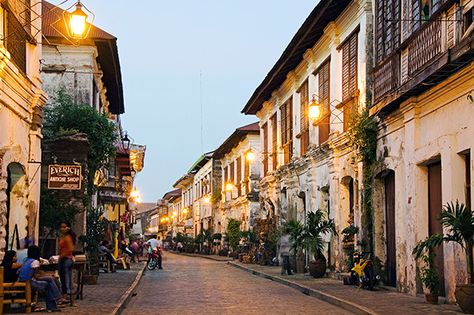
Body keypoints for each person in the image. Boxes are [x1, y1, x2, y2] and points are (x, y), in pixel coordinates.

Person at [18, 245, 61, 312]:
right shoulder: (35, 262)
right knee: (48, 284)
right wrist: (48, 275)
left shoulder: (26, 260)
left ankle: (55, 302)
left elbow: (36, 274)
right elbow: (36, 277)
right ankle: (54, 303)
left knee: (50, 279)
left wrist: (48, 275)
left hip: (23, 281)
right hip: (29, 283)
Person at [59, 222, 76, 304]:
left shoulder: (68, 237)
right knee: (65, 278)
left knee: (66, 279)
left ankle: (67, 296)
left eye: (64, 227)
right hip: (65, 259)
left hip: (66, 259)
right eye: (61, 227)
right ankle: (66, 297)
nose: (62, 228)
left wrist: (62, 256)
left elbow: (71, 249)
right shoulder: (64, 237)